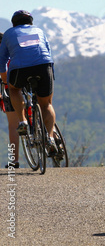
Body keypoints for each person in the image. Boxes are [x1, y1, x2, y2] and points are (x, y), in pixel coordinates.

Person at [0, 10, 58, 156]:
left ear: (14, 24)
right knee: (46, 104)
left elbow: (2, 59)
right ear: (31, 22)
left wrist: (5, 78)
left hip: (20, 69)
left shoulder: (9, 33)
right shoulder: (39, 31)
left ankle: (23, 122)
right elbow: (48, 53)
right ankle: (50, 138)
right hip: (44, 66)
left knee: (14, 89)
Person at [0, 33, 20, 168]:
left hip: (9, 89)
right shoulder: (15, 51)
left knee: (13, 125)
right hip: (27, 83)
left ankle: (14, 160)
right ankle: (52, 138)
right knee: (43, 107)